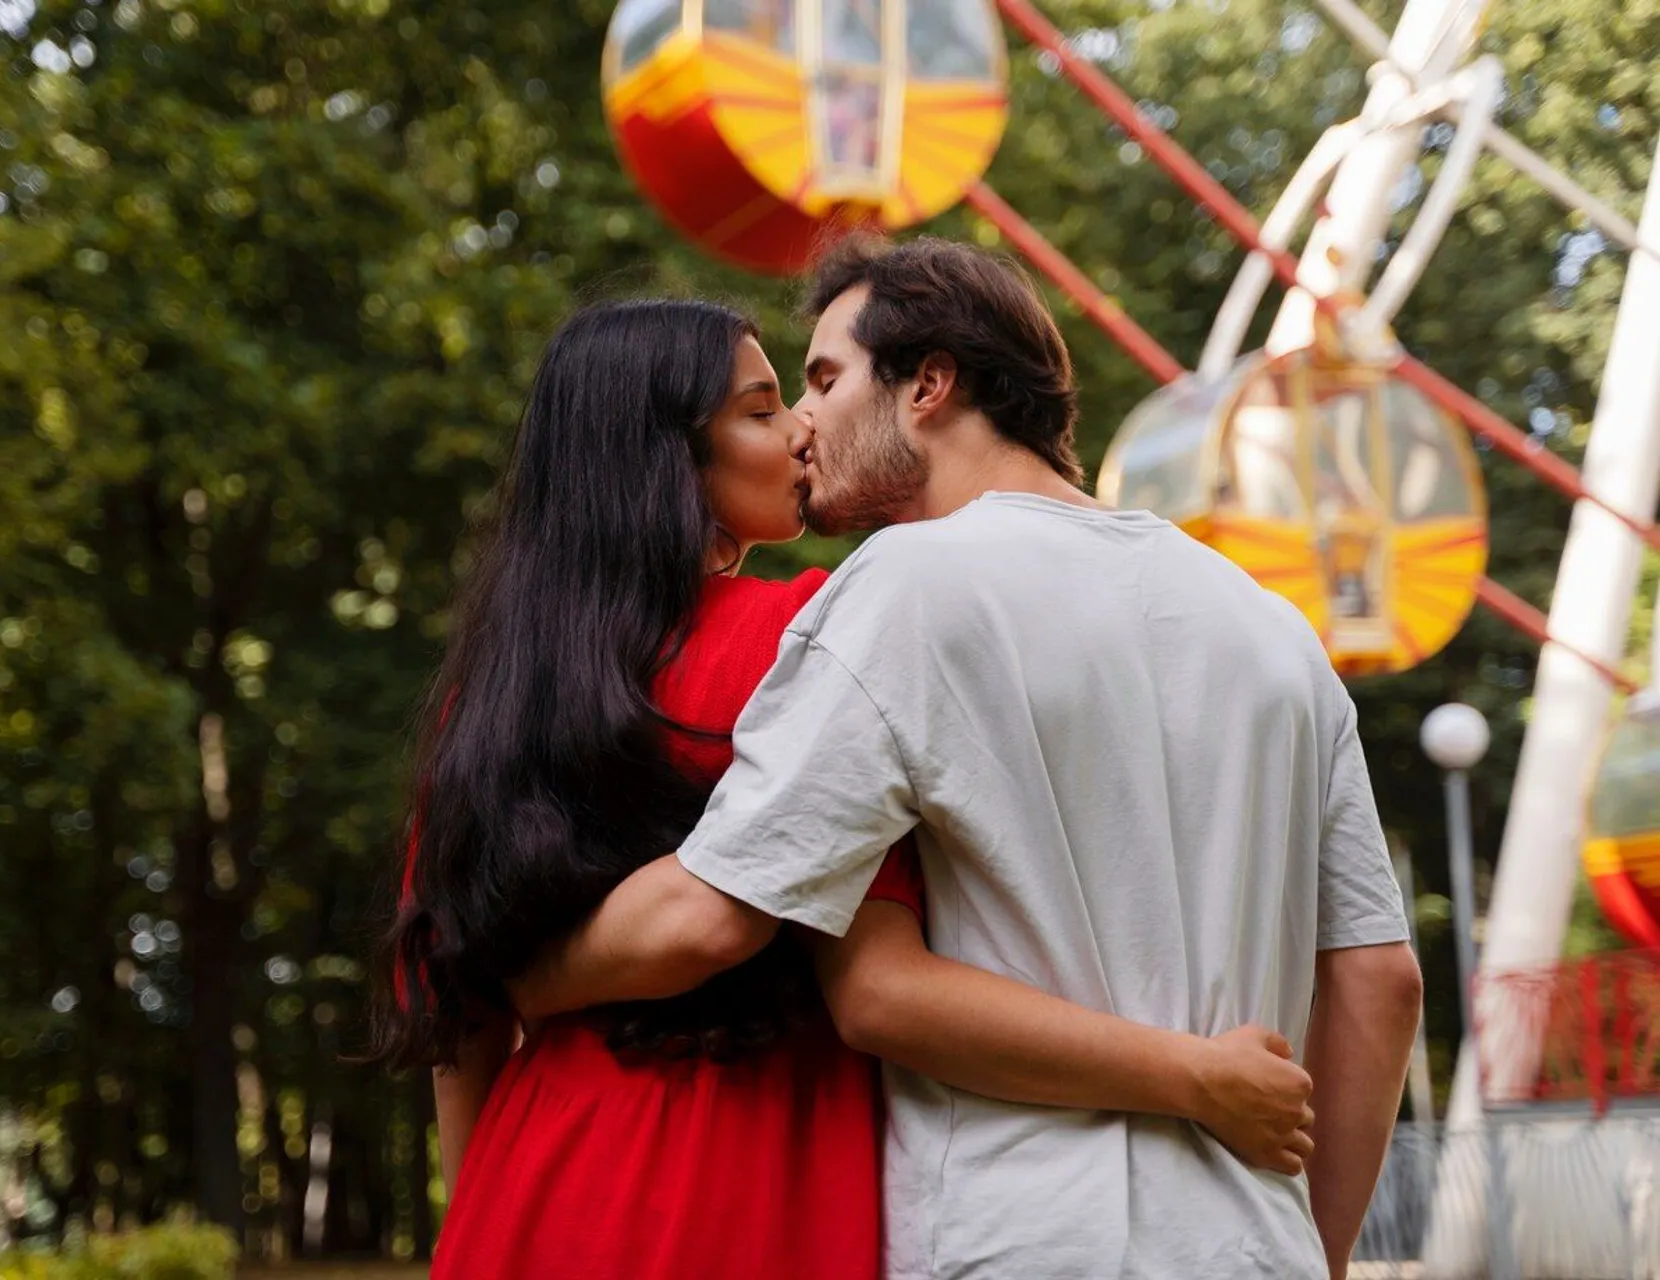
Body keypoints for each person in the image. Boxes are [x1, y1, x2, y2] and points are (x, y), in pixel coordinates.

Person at [514, 240, 1425, 1280]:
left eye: (823, 379)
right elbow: (1381, 979)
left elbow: (724, 906)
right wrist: (1318, 1249)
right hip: (1253, 1247)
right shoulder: (1271, 628)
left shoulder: (905, 586)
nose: (802, 423)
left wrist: (516, 979)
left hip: (1017, 1235)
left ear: (929, 384)